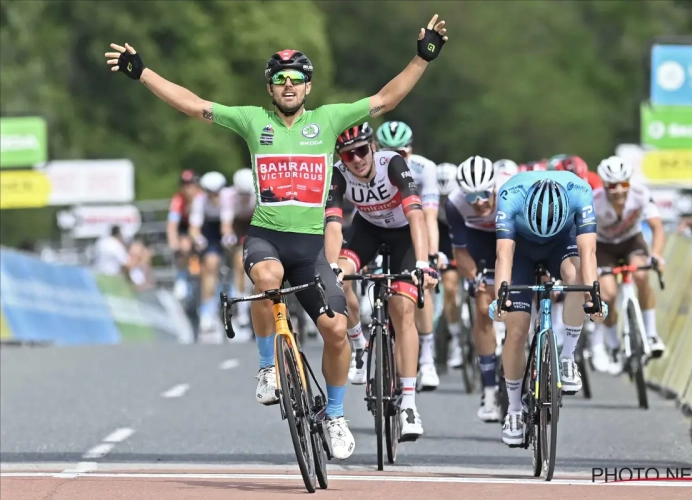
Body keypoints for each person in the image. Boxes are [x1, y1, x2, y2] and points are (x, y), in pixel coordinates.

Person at [105, 15, 448, 460]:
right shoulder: (252, 121)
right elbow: (193, 105)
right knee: (266, 279)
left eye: (297, 79)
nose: (289, 85)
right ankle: (268, 367)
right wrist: (144, 72)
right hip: (267, 236)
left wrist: (422, 59)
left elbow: (385, 98)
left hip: (309, 248)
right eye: (280, 79)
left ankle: (337, 415)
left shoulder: (328, 121)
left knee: (337, 332)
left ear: (308, 87)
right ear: (270, 88)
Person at [325, 123, 438, 441]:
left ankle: (409, 405)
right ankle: (359, 342)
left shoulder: (393, 164)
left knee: (402, 307)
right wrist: (334, 266)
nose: (357, 159)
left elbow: (417, 216)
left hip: (404, 233)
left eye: (362, 150)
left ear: (372, 148)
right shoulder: (338, 173)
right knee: (339, 279)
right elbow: (333, 224)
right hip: (368, 230)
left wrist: (421, 264)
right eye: (349, 155)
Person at [489, 170, 607, 446]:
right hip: (522, 250)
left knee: (578, 279)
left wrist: (593, 297)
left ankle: (567, 358)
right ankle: (515, 411)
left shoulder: (580, 191)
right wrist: (500, 298)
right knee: (516, 330)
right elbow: (503, 255)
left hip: (561, 244)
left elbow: (588, 253)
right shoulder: (510, 195)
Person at [375, 121, 442, 391]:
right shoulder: (370, 166)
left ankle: (426, 357)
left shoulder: (424, 169)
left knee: (421, 286)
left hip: (413, 231)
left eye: (399, 154)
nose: (392, 159)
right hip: (380, 229)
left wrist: (432, 255)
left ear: (410, 151)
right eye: (386, 152)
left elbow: (429, 216)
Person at [445, 156, 509, 422]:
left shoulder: (510, 192)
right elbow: (460, 252)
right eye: (472, 196)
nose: (480, 201)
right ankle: (490, 389)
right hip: (478, 242)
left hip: (510, 237)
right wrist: (474, 278)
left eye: (484, 193)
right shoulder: (455, 203)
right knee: (483, 306)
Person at [590, 156, 666, 374]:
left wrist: (657, 255)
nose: (618, 191)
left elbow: (657, 227)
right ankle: (613, 345)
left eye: (623, 184)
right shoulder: (594, 201)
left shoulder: (640, 194)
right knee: (608, 295)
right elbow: (582, 236)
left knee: (642, 276)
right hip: (603, 246)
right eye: (612, 186)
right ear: (604, 185)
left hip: (632, 242)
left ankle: (651, 334)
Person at [189, 171, 236, 334]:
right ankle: (206, 312)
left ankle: (240, 308)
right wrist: (198, 239)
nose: (213, 197)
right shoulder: (199, 201)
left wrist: (229, 239)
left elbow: (226, 226)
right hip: (208, 231)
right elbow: (194, 228)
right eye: (210, 193)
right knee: (210, 265)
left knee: (239, 260)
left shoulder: (226, 200)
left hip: (223, 229)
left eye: (216, 193)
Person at [435, 162, 463, 368]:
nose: (444, 202)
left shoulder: (464, 198)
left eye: (448, 197)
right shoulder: (431, 201)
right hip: (444, 236)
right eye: (440, 198)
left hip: (466, 233)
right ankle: (456, 339)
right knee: (450, 286)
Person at [226, 168, 257, 329]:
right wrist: (228, 237)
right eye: (242, 194)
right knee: (239, 263)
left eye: (247, 195)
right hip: (237, 228)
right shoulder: (228, 197)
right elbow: (226, 224)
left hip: (255, 225)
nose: (245, 198)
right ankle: (242, 308)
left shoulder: (258, 194)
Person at [167, 170, 201, 299]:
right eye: (184, 184)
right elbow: (172, 224)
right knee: (184, 246)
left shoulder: (202, 197)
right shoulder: (178, 199)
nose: (187, 188)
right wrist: (173, 243)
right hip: (185, 227)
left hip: (202, 227)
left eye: (190, 184)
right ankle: (181, 277)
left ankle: (196, 270)